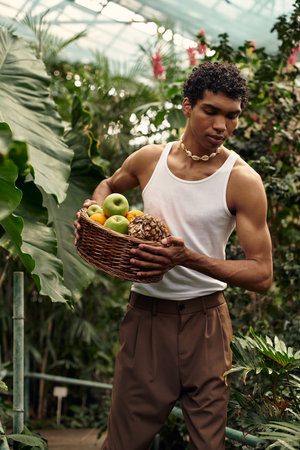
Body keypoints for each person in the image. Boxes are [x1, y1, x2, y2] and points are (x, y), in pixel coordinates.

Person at [74, 61, 273, 450]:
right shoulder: (149, 160)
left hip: (207, 325)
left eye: (232, 116)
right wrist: (92, 215)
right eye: (210, 111)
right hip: (145, 320)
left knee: (208, 445)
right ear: (187, 106)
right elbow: (107, 186)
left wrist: (187, 258)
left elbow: (262, 274)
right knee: (123, 443)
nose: (222, 126)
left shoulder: (242, 180)